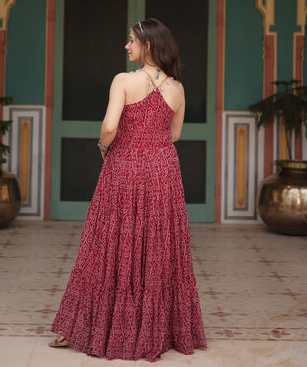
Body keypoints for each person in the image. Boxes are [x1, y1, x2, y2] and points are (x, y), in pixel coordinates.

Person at [50, 18, 207, 362]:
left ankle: (91, 328)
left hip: (125, 166)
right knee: (157, 244)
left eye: (132, 40)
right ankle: (157, 331)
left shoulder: (123, 81)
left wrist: (105, 146)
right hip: (163, 169)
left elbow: (109, 127)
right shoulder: (178, 88)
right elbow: (175, 134)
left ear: (148, 45)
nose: (127, 46)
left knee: (109, 243)